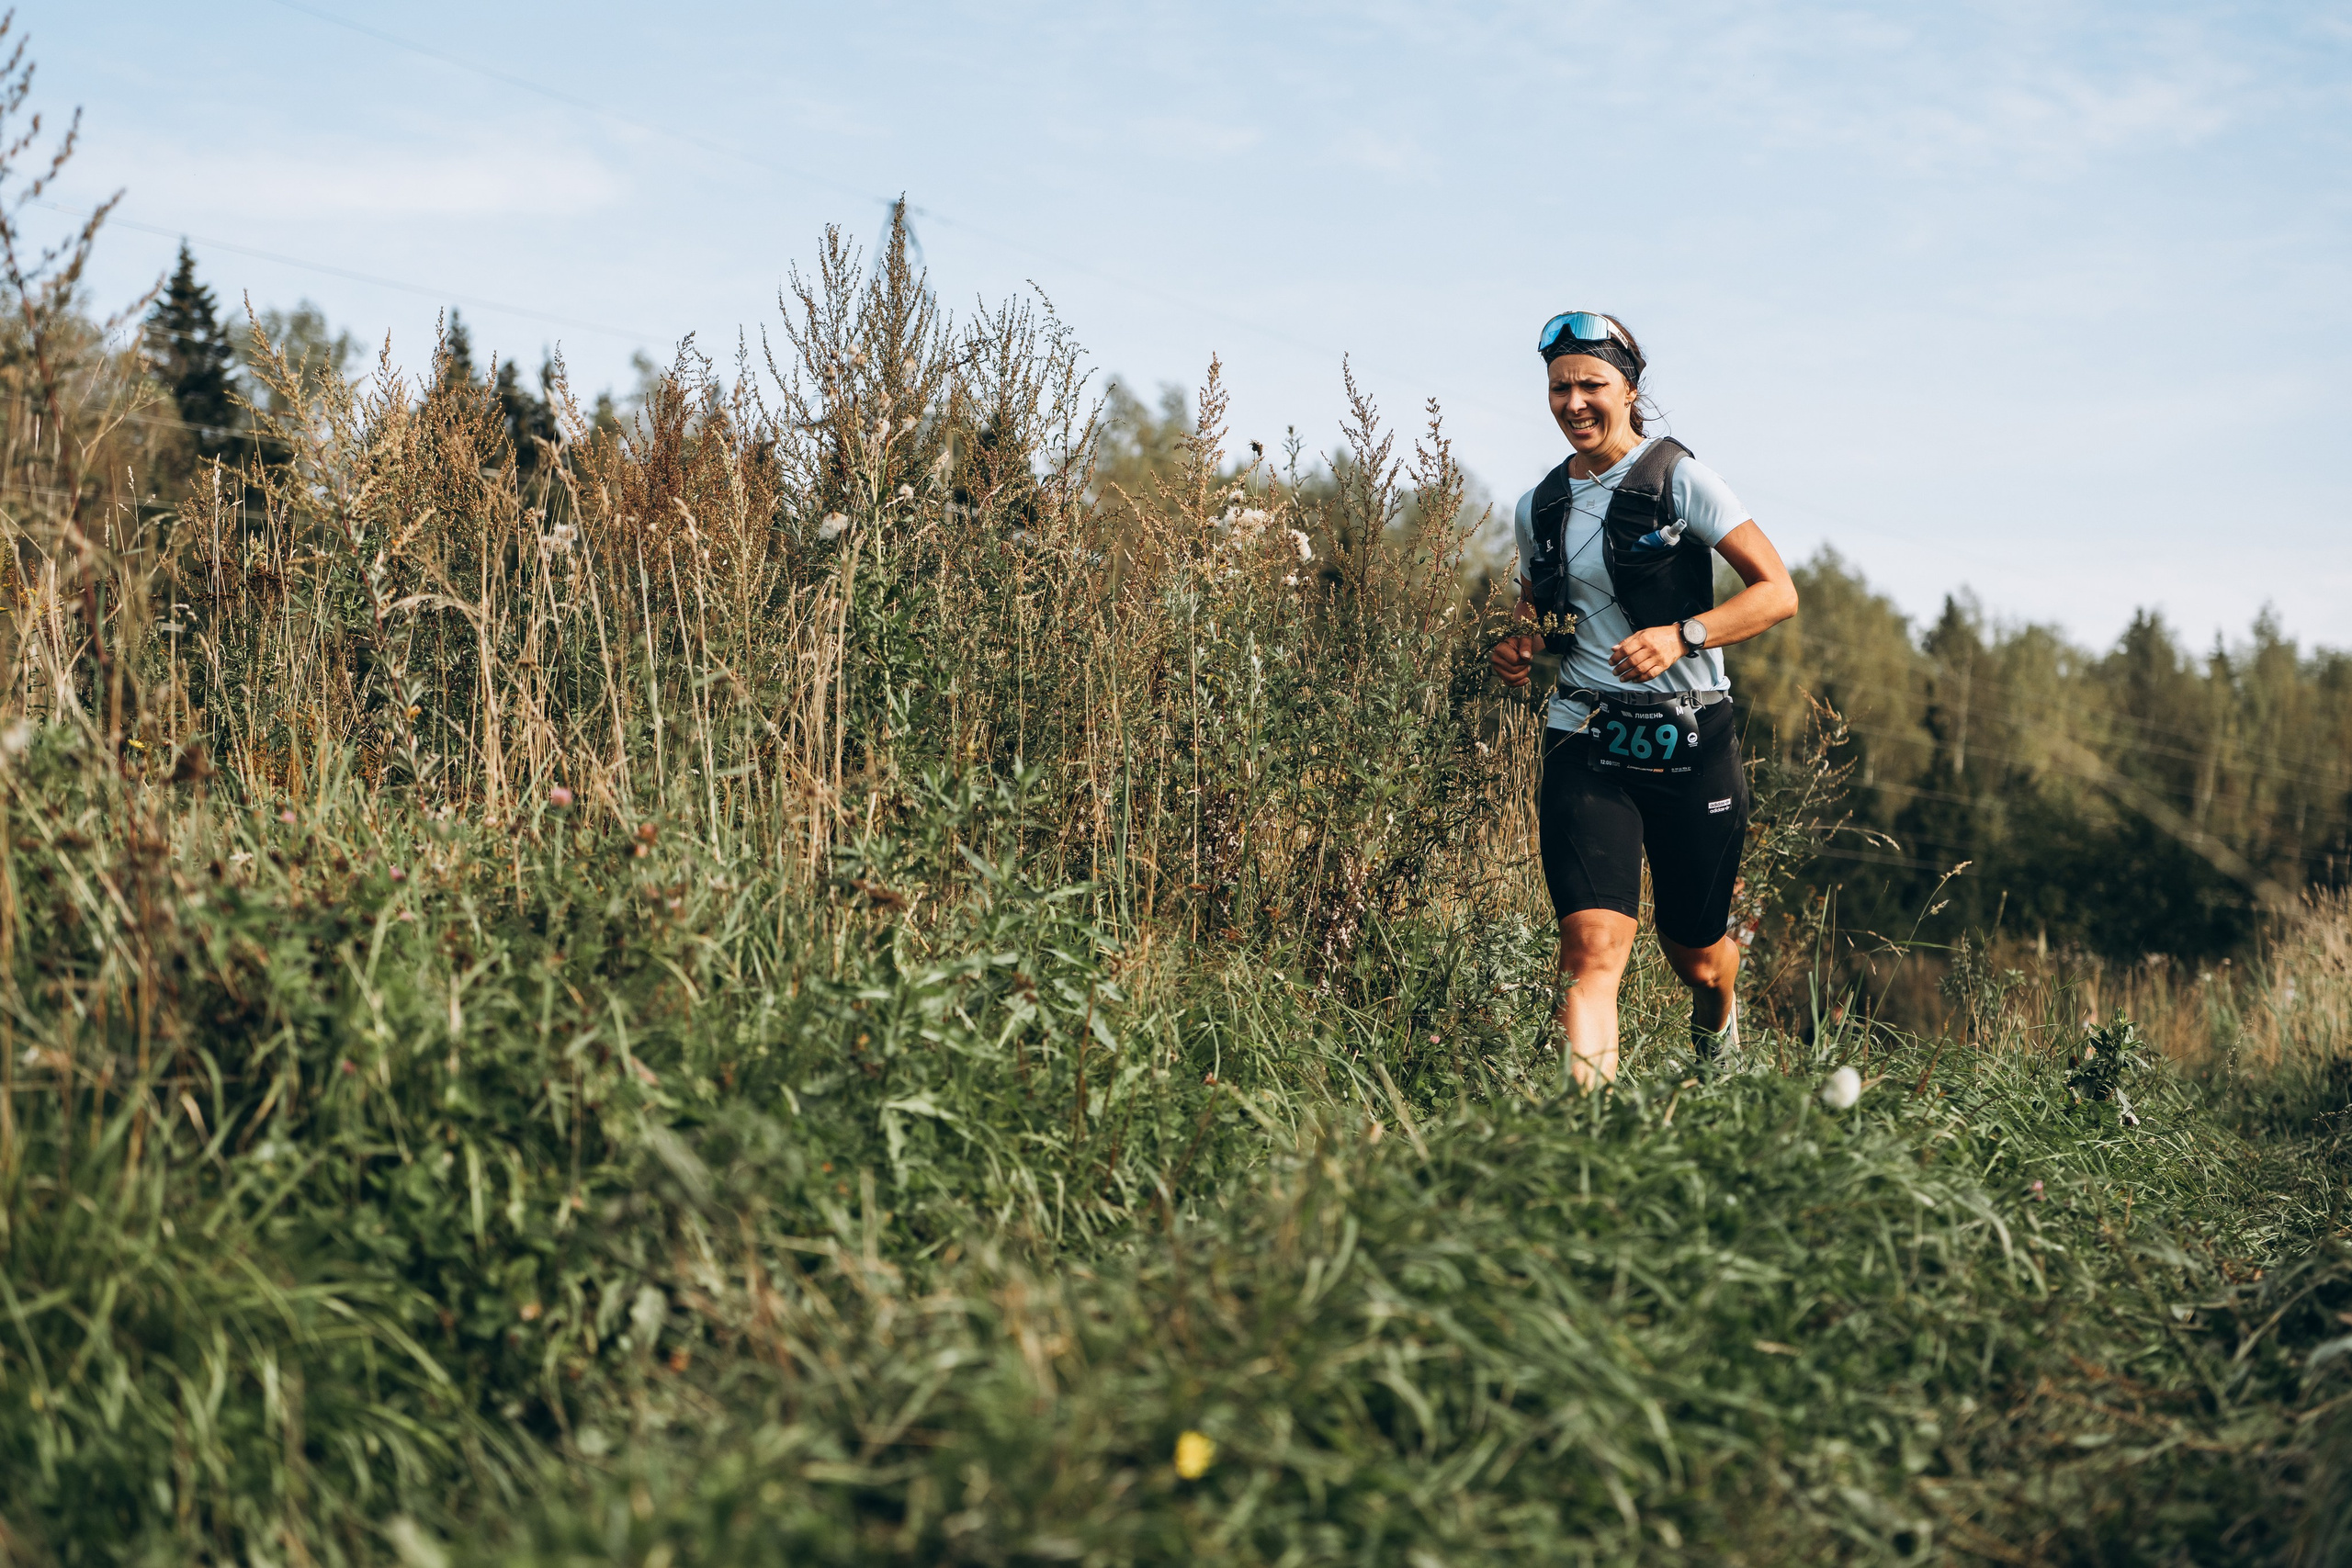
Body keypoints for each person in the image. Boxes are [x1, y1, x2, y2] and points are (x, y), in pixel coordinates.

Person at [1491, 311, 1798, 1090]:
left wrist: (1685, 633)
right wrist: (1522, 644)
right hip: (1586, 737)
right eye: (1560, 387)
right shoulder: (1539, 507)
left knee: (1695, 956)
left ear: (1630, 389)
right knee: (1592, 950)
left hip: (1691, 742)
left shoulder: (1680, 479)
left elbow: (1777, 593)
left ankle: (1719, 1016)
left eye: (1592, 384)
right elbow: (1545, 609)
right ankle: (1591, 1149)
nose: (1574, 402)